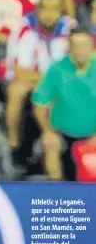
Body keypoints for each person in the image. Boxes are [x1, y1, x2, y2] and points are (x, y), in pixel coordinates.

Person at [4, 0, 74, 170]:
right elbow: (20, 71)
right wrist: (50, 82)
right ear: (37, 9)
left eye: (55, 9)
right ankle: (15, 145)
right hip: (32, 80)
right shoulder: (24, 28)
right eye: (45, 8)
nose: (49, 14)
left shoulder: (71, 29)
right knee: (18, 90)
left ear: (62, 10)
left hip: (62, 82)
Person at [33, 29, 96, 181]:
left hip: (93, 134)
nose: (80, 50)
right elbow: (40, 105)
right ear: (69, 47)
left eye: (84, 45)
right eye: (76, 45)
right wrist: (47, 131)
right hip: (61, 132)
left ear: (92, 46)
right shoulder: (56, 69)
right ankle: (58, 191)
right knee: (50, 145)